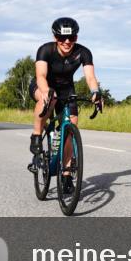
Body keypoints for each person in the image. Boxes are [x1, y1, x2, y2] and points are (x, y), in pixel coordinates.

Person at [27, 18, 103, 191]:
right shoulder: (45, 50)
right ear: (55, 37)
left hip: (67, 89)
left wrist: (95, 92)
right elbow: (40, 75)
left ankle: (67, 174)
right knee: (50, 98)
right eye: (62, 38)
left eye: (72, 38)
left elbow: (90, 77)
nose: (67, 42)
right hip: (43, 85)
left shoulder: (83, 52)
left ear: (76, 37)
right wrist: (46, 91)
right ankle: (36, 135)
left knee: (71, 127)